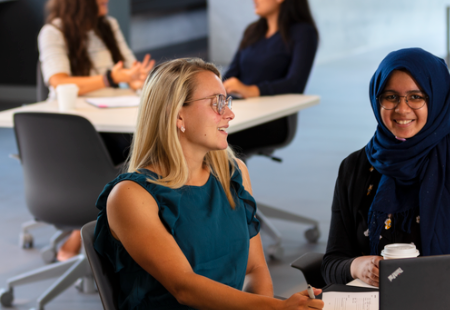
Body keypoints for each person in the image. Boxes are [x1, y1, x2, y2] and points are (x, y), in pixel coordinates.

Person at [92, 58, 324, 310]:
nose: (230, 113)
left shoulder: (233, 173)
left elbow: (254, 269)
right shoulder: (130, 196)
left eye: (227, 101)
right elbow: (185, 288)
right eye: (217, 103)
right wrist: (277, 308)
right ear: (177, 113)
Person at [321, 48, 450, 287]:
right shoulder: (356, 168)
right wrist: (357, 267)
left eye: (416, 97)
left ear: (436, 99)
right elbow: (332, 263)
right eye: (390, 96)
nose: (402, 110)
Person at [38, 0, 154, 261]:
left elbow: (127, 69)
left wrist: (136, 77)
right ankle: (85, 231)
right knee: (118, 159)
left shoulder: (108, 25)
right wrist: (110, 79)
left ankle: (128, 230)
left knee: (146, 148)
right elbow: (59, 81)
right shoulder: (53, 32)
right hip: (70, 125)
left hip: (110, 115)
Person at [222, 0, 318, 156]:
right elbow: (230, 74)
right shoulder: (252, 31)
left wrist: (252, 90)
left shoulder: (303, 33)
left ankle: (231, 180)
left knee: (215, 139)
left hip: (273, 121)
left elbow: (295, 83)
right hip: (239, 112)